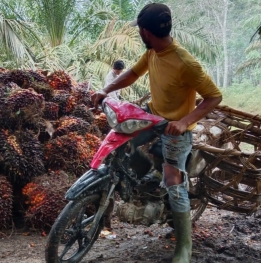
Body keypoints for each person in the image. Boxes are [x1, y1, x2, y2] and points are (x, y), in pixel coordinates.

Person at [91, 3, 222, 263]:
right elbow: (132, 74)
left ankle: (184, 246)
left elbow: (214, 97)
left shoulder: (185, 62)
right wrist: (106, 90)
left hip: (175, 128)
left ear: (145, 32)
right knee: (120, 144)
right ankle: (144, 183)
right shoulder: (152, 53)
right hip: (152, 116)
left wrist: (185, 121)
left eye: (139, 31)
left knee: (174, 180)